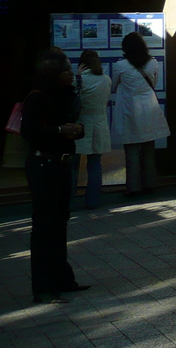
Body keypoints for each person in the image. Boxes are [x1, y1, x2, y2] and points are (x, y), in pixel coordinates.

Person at [21, 48, 87, 304]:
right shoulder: (37, 98)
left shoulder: (65, 96)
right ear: (52, 72)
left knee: (60, 224)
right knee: (45, 227)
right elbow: (30, 131)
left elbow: (74, 129)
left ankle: (63, 280)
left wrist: (76, 129)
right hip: (43, 166)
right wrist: (61, 130)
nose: (71, 74)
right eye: (66, 70)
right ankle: (44, 288)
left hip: (62, 165)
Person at [112, 33, 170, 197]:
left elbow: (114, 84)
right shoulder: (152, 63)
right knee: (149, 151)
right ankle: (151, 185)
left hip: (129, 111)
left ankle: (134, 188)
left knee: (131, 151)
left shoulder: (120, 65)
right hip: (149, 109)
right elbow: (154, 82)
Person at [75, 51, 112, 210]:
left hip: (80, 124)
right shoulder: (106, 79)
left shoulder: (79, 79)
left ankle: (68, 201)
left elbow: (72, 99)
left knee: (72, 165)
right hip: (99, 123)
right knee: (95, 164)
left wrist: (77, 76)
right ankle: (93, 200)